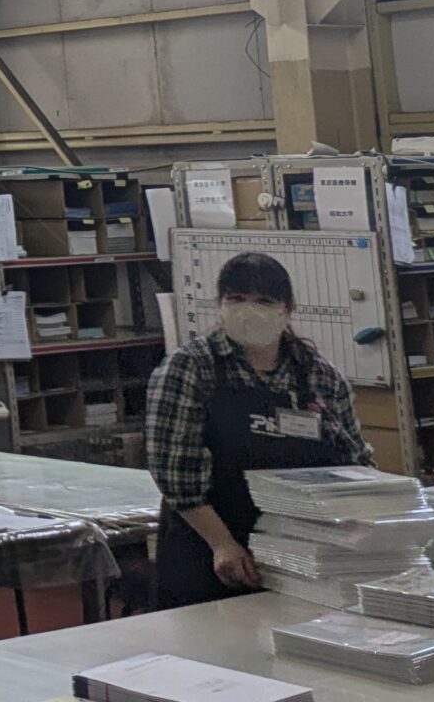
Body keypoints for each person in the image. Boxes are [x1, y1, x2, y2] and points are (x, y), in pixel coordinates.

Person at [143, 250, 371, 609]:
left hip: (298, 554)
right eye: (236, 299)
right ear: (219, 304)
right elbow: (174, 474)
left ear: (288, 308)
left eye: (264, 301)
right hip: (209, 552)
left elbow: (354, 462)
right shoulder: (190, 368)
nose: (249, 309)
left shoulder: (318, 376)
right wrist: (222, 544)